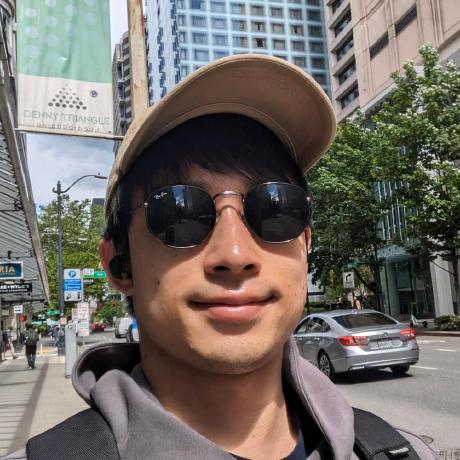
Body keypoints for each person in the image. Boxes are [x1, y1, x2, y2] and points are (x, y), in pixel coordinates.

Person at [3, 56, 438, 459]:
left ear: (305, 244)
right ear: (119, 263)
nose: (234, 254)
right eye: (179, 213)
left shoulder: (403, 452)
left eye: (275, 208)